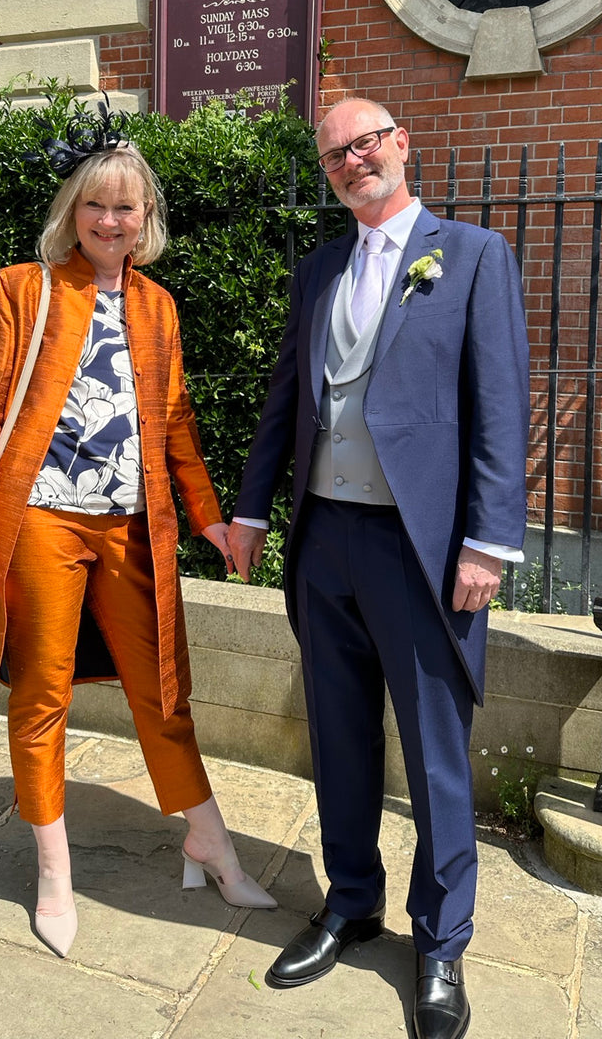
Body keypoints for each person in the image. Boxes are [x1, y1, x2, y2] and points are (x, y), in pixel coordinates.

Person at [228, 98, 529, 1039]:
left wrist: (489, 540)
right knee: (339, 734)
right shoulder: (319, 267)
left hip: (421, 549)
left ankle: (442, 943)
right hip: (325, 541)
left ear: (403, 144)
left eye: (366, 142)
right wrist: (249, 508)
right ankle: (352, 901)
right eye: (334, 154)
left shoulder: (473, 255)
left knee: (437, 754)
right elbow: (290, 398)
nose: (353, 160)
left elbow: (499, 404)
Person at [0, 106, 276, 959]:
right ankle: (54, 873)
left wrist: (211, 520)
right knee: (44, 694)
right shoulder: (25, 287)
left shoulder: (158, 306)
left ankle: (208, 842)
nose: (109, 220)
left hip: (133, 529)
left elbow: (173, 424)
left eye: (126, 207)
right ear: (73, 210)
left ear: (146, 220)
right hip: (43, 521)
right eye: (95, 204)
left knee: (164, 691)